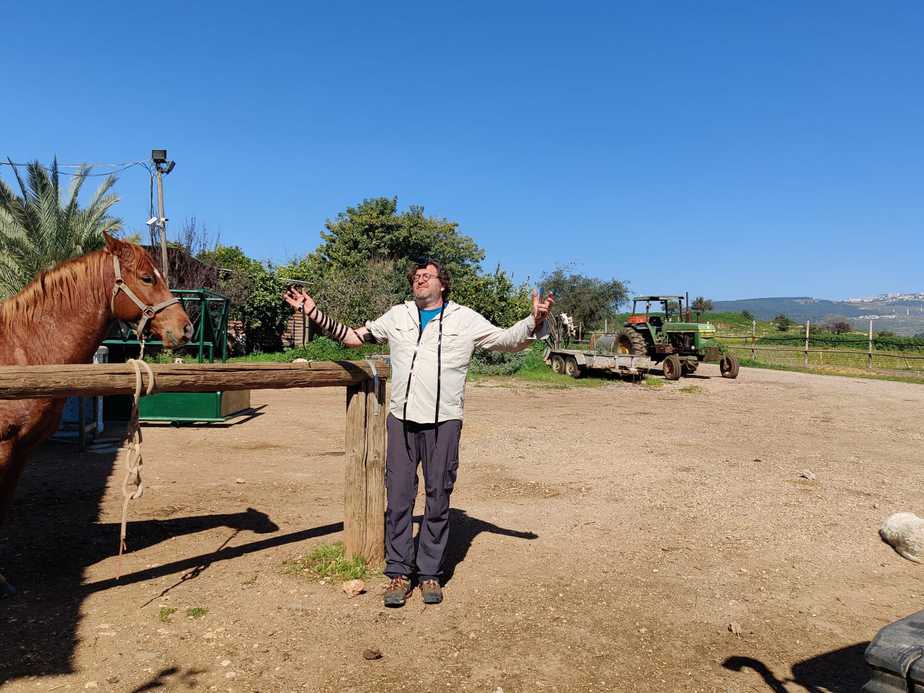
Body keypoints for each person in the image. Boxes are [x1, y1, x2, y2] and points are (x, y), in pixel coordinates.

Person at [284, 260, 553, 607]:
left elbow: (505, 340)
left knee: (438, 497)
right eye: (415, 276)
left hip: (444, 421)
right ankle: (398, 571)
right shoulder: (397, 316)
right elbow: (354, 338)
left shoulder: (464, 318)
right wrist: (314, 312)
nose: (420, 279)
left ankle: (429, 573)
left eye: (428, 275)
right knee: (398, 498)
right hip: (401, 419)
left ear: (443, 284)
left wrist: (536, 321)